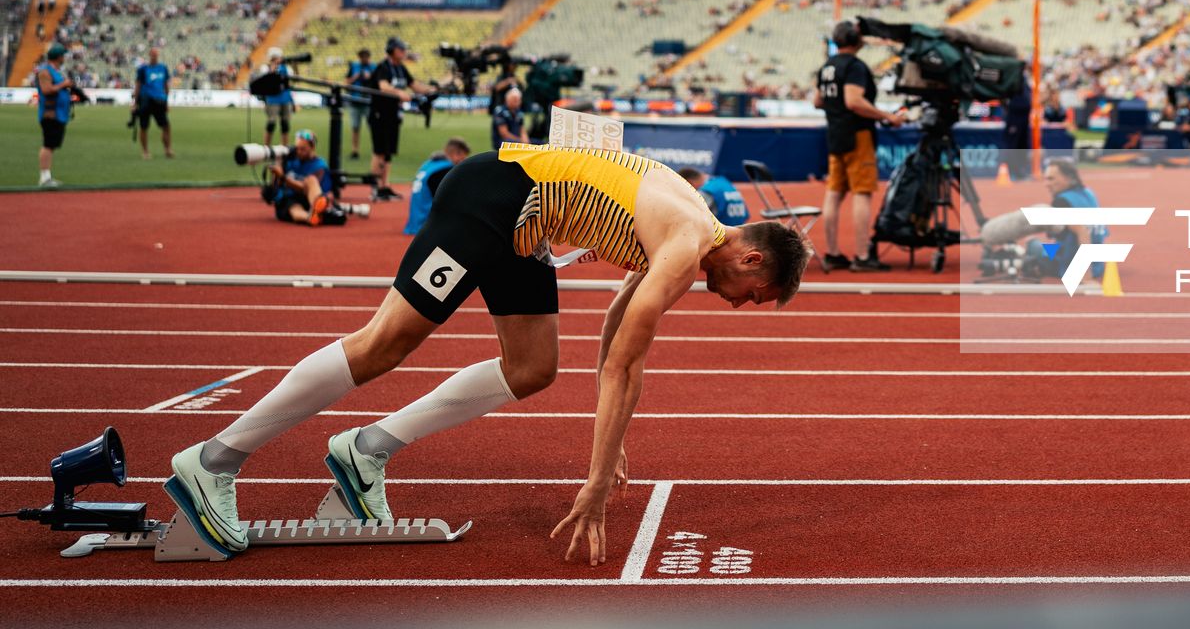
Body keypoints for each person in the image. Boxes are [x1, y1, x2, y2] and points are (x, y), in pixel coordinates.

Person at [163, 144, 811, 565]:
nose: (742, 304)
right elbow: (624, 364)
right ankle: (213, 460)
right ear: (752, 258)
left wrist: (609, 449)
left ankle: (365, 452)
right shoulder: (686, 239)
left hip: (523, 228)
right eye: (757, 295)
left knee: (532, 368)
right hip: (493, 197)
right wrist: (594, 480)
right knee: (388, 341)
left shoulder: (689, 227)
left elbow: (617, 325)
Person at [812, 20, 907, 272]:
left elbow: (818, 101)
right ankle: (863, 256)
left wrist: (837, 110)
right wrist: (887, 116)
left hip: (835, 134)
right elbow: (853, 101)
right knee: (861, 193)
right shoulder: (854, 66)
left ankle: (832, 253)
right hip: (857, 135)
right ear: (856, 40)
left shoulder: (827, 66)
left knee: (834, 193)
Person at [369, 36, 436, 202]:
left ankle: (385, 186)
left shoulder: (401, 68)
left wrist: (432, 89)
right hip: (379, 114)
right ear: (392, 51)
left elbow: (414, 85)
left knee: (389, 152)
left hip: (393, 115)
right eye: (401, 49)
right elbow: (383, 86)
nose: (404, 52)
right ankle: (375, 187)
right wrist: (399, 93)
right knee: (379, 151)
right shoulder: (383, 67)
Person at [265, 130, 370, 226]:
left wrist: (283, 177)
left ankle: (318, 209)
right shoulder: (290, 159)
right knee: (294, 210)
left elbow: (303, 188)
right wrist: (278, 166)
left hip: (309, 197)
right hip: (289, 200)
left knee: (310, 180)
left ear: (312, 147)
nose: (299, 152)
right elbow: (275, 186)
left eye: (303, 149)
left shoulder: (319, 165)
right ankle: (313, 217)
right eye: (297, 148)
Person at [404, 137, 471, 236]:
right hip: (427, 225)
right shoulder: (445, 169)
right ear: (456, 154)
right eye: (463, 157)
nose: (464, 160)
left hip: (415, 221)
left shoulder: (429, 164)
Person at [33, 41, 77, 189]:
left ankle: (47, 176)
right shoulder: (45, 71)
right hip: (50, 114)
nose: (64, 58)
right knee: (48, 144)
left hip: (58, 114)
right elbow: (46, 90)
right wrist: (63, 85)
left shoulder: (55, 71)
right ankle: (44, 178)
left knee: (51, 145)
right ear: (58, 57)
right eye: (63, 55)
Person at [131, 44, 174, 161]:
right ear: (149, 55)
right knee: (144, 126)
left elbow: (165, 85)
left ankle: (167, 149)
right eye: (153, 54)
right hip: (146, 100)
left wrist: (166, 102)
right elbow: (138, 86)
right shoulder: (143, 69)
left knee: (166, 126)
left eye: (156, 54)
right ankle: (145, 151)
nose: (154, 56)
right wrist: (134, 103)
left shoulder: (163, 68)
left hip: (159, 101)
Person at [677, 166, 750, 226]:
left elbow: (690, 217)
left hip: (721, 237)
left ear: (689, 183)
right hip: (739, 232)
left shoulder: (706, 192)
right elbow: (746, 214)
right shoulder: (724, 182)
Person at [256, 46, 295, 147]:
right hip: (272, 99)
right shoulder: (265, 68)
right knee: (271, 123)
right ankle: (266, 146)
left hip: (285, 99)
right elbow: (264, 83)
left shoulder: (287, 68)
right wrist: (272, 70)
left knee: (285, 124)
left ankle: (284, 146)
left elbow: (292, 81)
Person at [345, 48, 377, 159]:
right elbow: (346, 82)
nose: (364, 58)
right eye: (362, 56)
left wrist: (370, 77)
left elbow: (379, 83)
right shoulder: (354, 66)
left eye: (366, 56)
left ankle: (376, 150)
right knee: (355, 127)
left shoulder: (374, 67)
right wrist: (356, 76)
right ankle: (355, 150)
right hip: (355, 100)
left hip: (369, 101)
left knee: (372, 127)